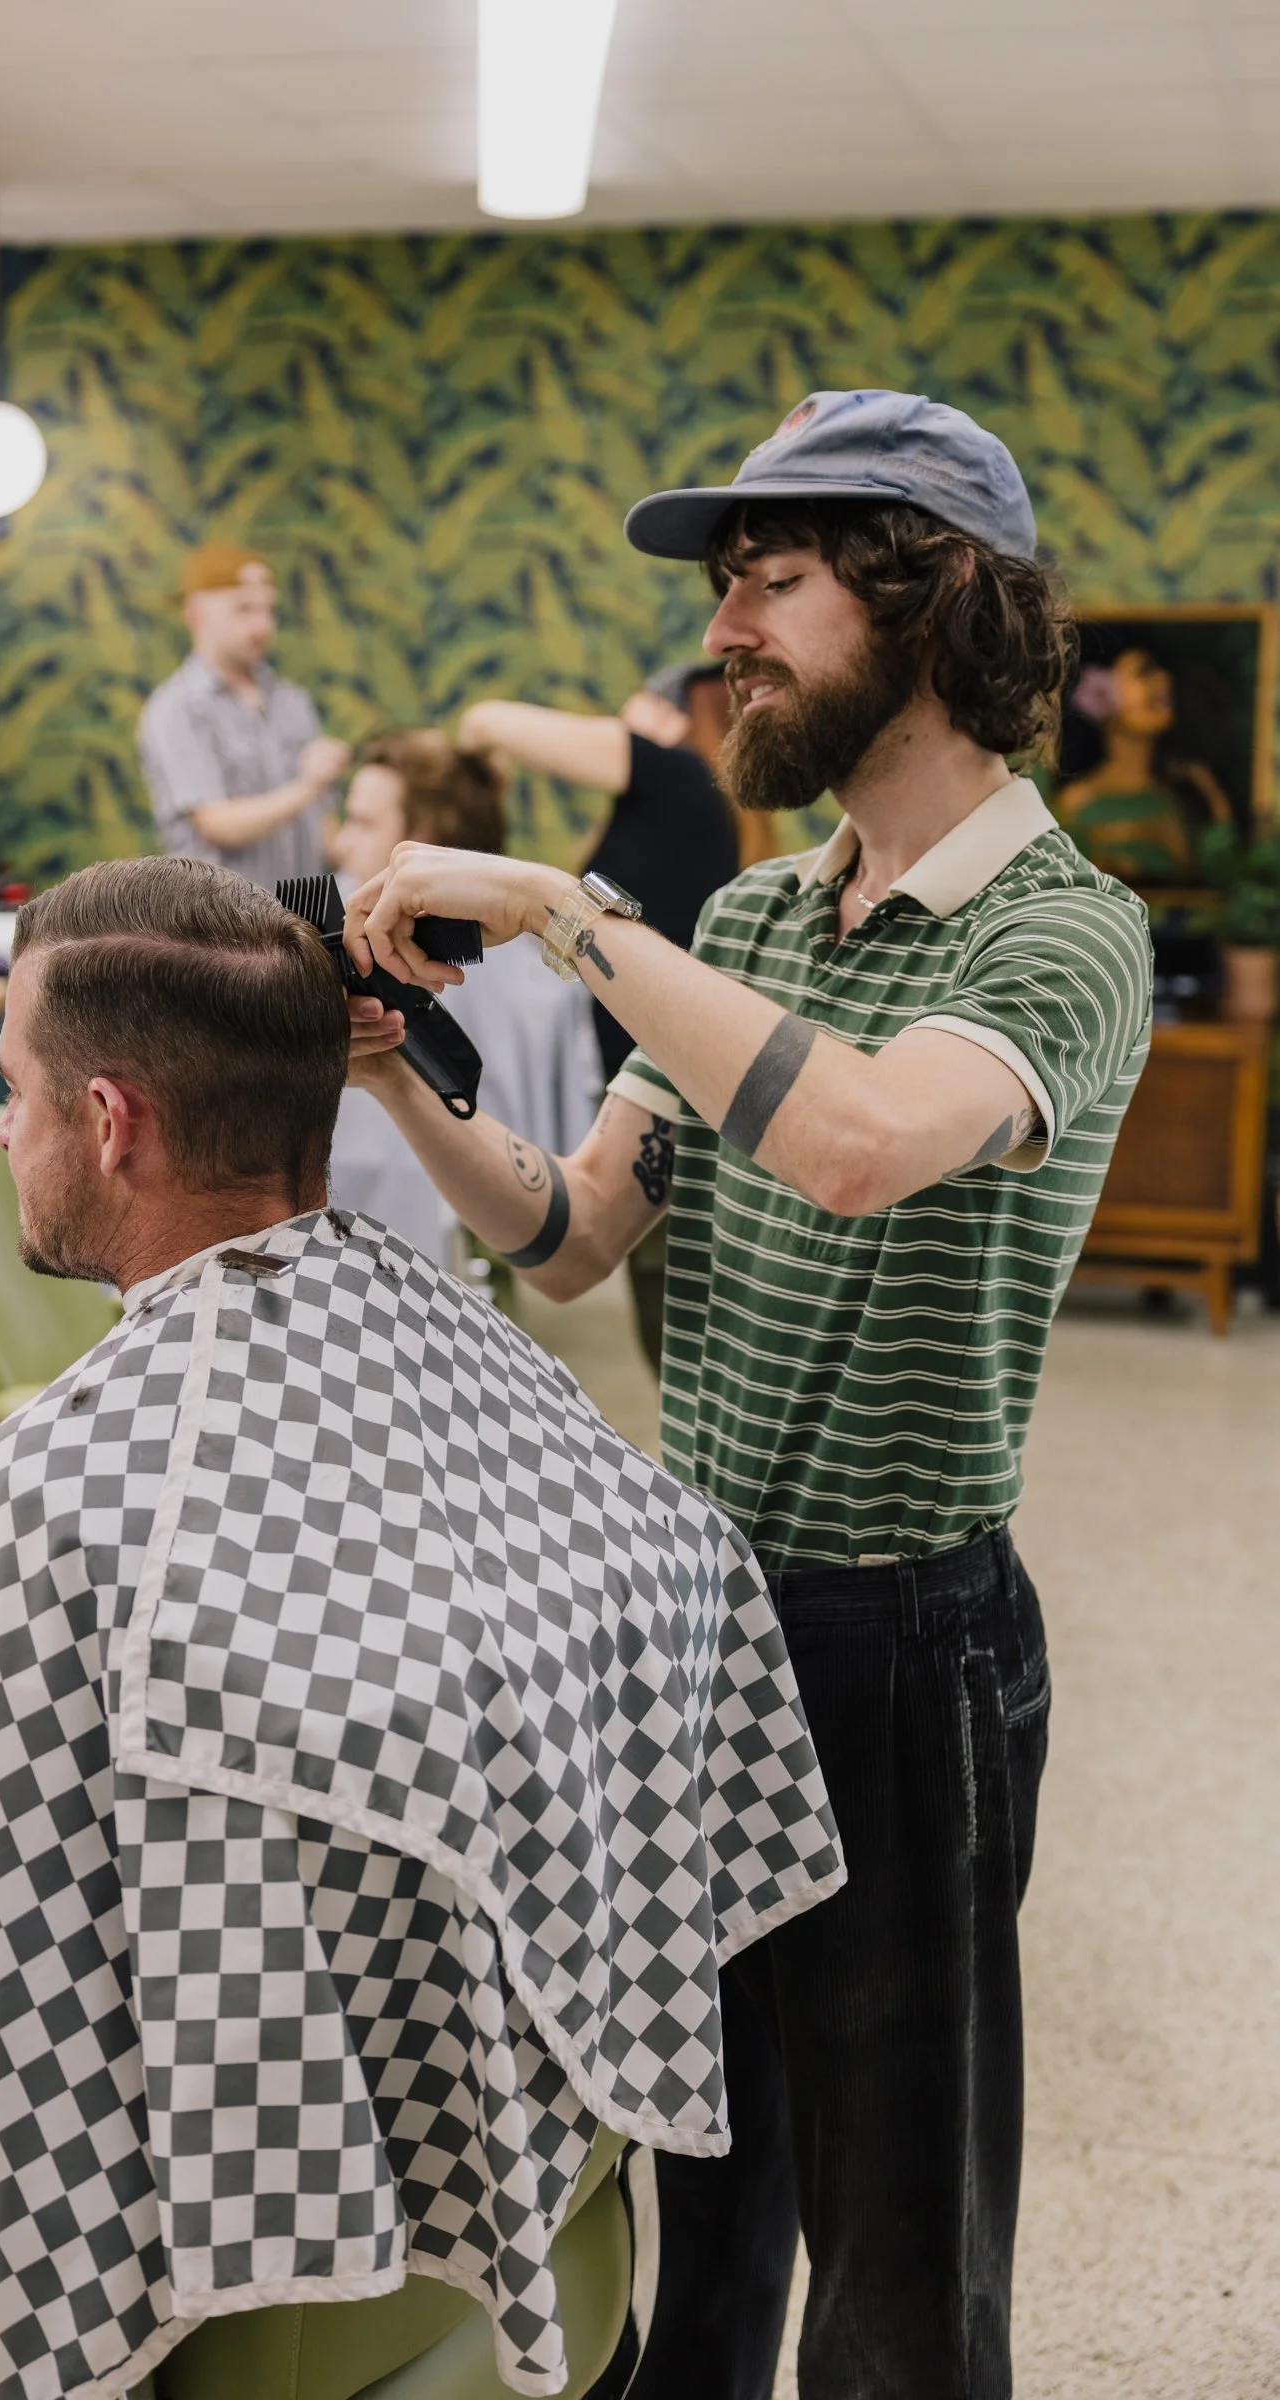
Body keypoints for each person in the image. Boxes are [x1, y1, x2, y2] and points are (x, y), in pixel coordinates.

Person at [338, 389, 1155, 2400]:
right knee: (687, 2182)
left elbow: (861, 1141)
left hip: (897, 1644)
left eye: (771, 583)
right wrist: (394, 1078)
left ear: (933, 594)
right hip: (693, 1620)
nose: (727, 634)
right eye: (725, 592)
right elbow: (571, 1236)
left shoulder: (1067, 933)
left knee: (893, 2249)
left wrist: (554, 907)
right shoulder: (754, 918)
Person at [0, 855, 845, 2400]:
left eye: (13, 1087)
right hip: (546, 2228)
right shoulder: (483, 1384)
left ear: (108, 1120)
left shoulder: (35, 1526)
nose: (0, 1125)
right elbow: (692, 1572)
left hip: (255, 2293)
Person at [461, 671, 740, 1366]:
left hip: (662, 1083)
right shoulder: (665, 811)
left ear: (669, 717)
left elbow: (493, 717)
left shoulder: (676, 773)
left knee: (675, 1294)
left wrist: (479, 734)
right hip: (649, 1076)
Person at [329, 728, 602, 1264]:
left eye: (362, 823)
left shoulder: (517, 978)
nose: (340, 841)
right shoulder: (327, 929)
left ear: (420, 840)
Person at [137, 538, 350, 888]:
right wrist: (307, 786)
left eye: (269, 610)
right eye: (244, 609)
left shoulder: (291, 701)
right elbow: (217, 825)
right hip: (223, 930)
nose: (263, 626)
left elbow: (325, 830)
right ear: (196, 613)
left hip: (305, 923)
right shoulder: (177, 708)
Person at [1050, 625, 1233, 884]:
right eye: (1144, 672)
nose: (1164, 680)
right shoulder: (1076, 804)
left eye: (1158, 669)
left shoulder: (1192, 788)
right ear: (1098, 696)